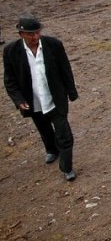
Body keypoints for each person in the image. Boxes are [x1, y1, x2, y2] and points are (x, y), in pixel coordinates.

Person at [3, 15, 79, 181]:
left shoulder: (54, 45)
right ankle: (51, 150)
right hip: (33, 100)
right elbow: (10, 80)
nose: (35, 37)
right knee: (43, 127)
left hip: (55, 98)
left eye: (37, 33)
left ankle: (67, 167)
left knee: (64, 133)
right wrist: (18, 100)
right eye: (31, 34)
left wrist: (71, 92)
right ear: (21, 34)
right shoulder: (11, 51)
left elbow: (65, 69)